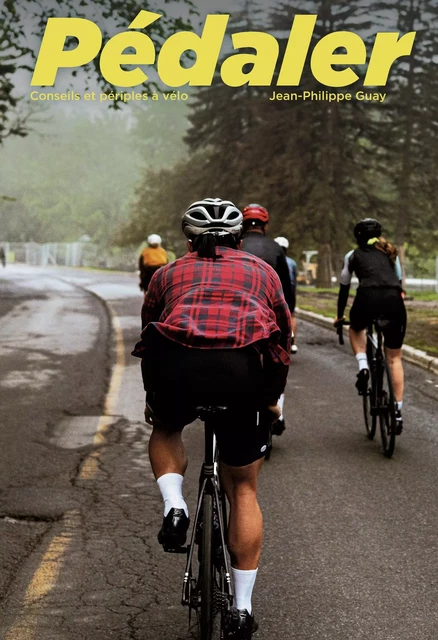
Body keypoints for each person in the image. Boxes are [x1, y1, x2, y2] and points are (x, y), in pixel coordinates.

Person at [132, 198, 291, 639]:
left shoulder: (166, 273)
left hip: (179, 370)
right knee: (242, 487)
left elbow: (149, 333)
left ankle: (176, 505)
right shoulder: (263, 271)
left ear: (188, 240)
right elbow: (283, 333)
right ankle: (240, 610)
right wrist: (270, 394)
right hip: (241, 373)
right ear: (240, 239)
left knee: (166, 427)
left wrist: (153, 396)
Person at [334, 218, 406, 433]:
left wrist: (339, 316)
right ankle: (398, 412)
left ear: (357, 236)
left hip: (366, 298)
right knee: (394, 358)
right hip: (394, 301)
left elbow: (344, 288)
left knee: (356, 329)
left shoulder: (352, 255)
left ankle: (363, 365)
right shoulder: (390, 252)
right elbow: (398, 283)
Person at [241, 204, 295, 435]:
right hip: (268, 313)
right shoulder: (275, 247)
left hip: (239, 314)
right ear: (265, 225)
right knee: (278, 359)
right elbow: (286, 287)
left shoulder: (236, 245)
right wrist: (288, 317)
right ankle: (278, 410)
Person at [275, 236, 298, 354]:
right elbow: (294, 280)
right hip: (289, 291)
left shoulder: (272, 259)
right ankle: (292, 341)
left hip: (276, 290)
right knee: (291, 315)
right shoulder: (292, 262)